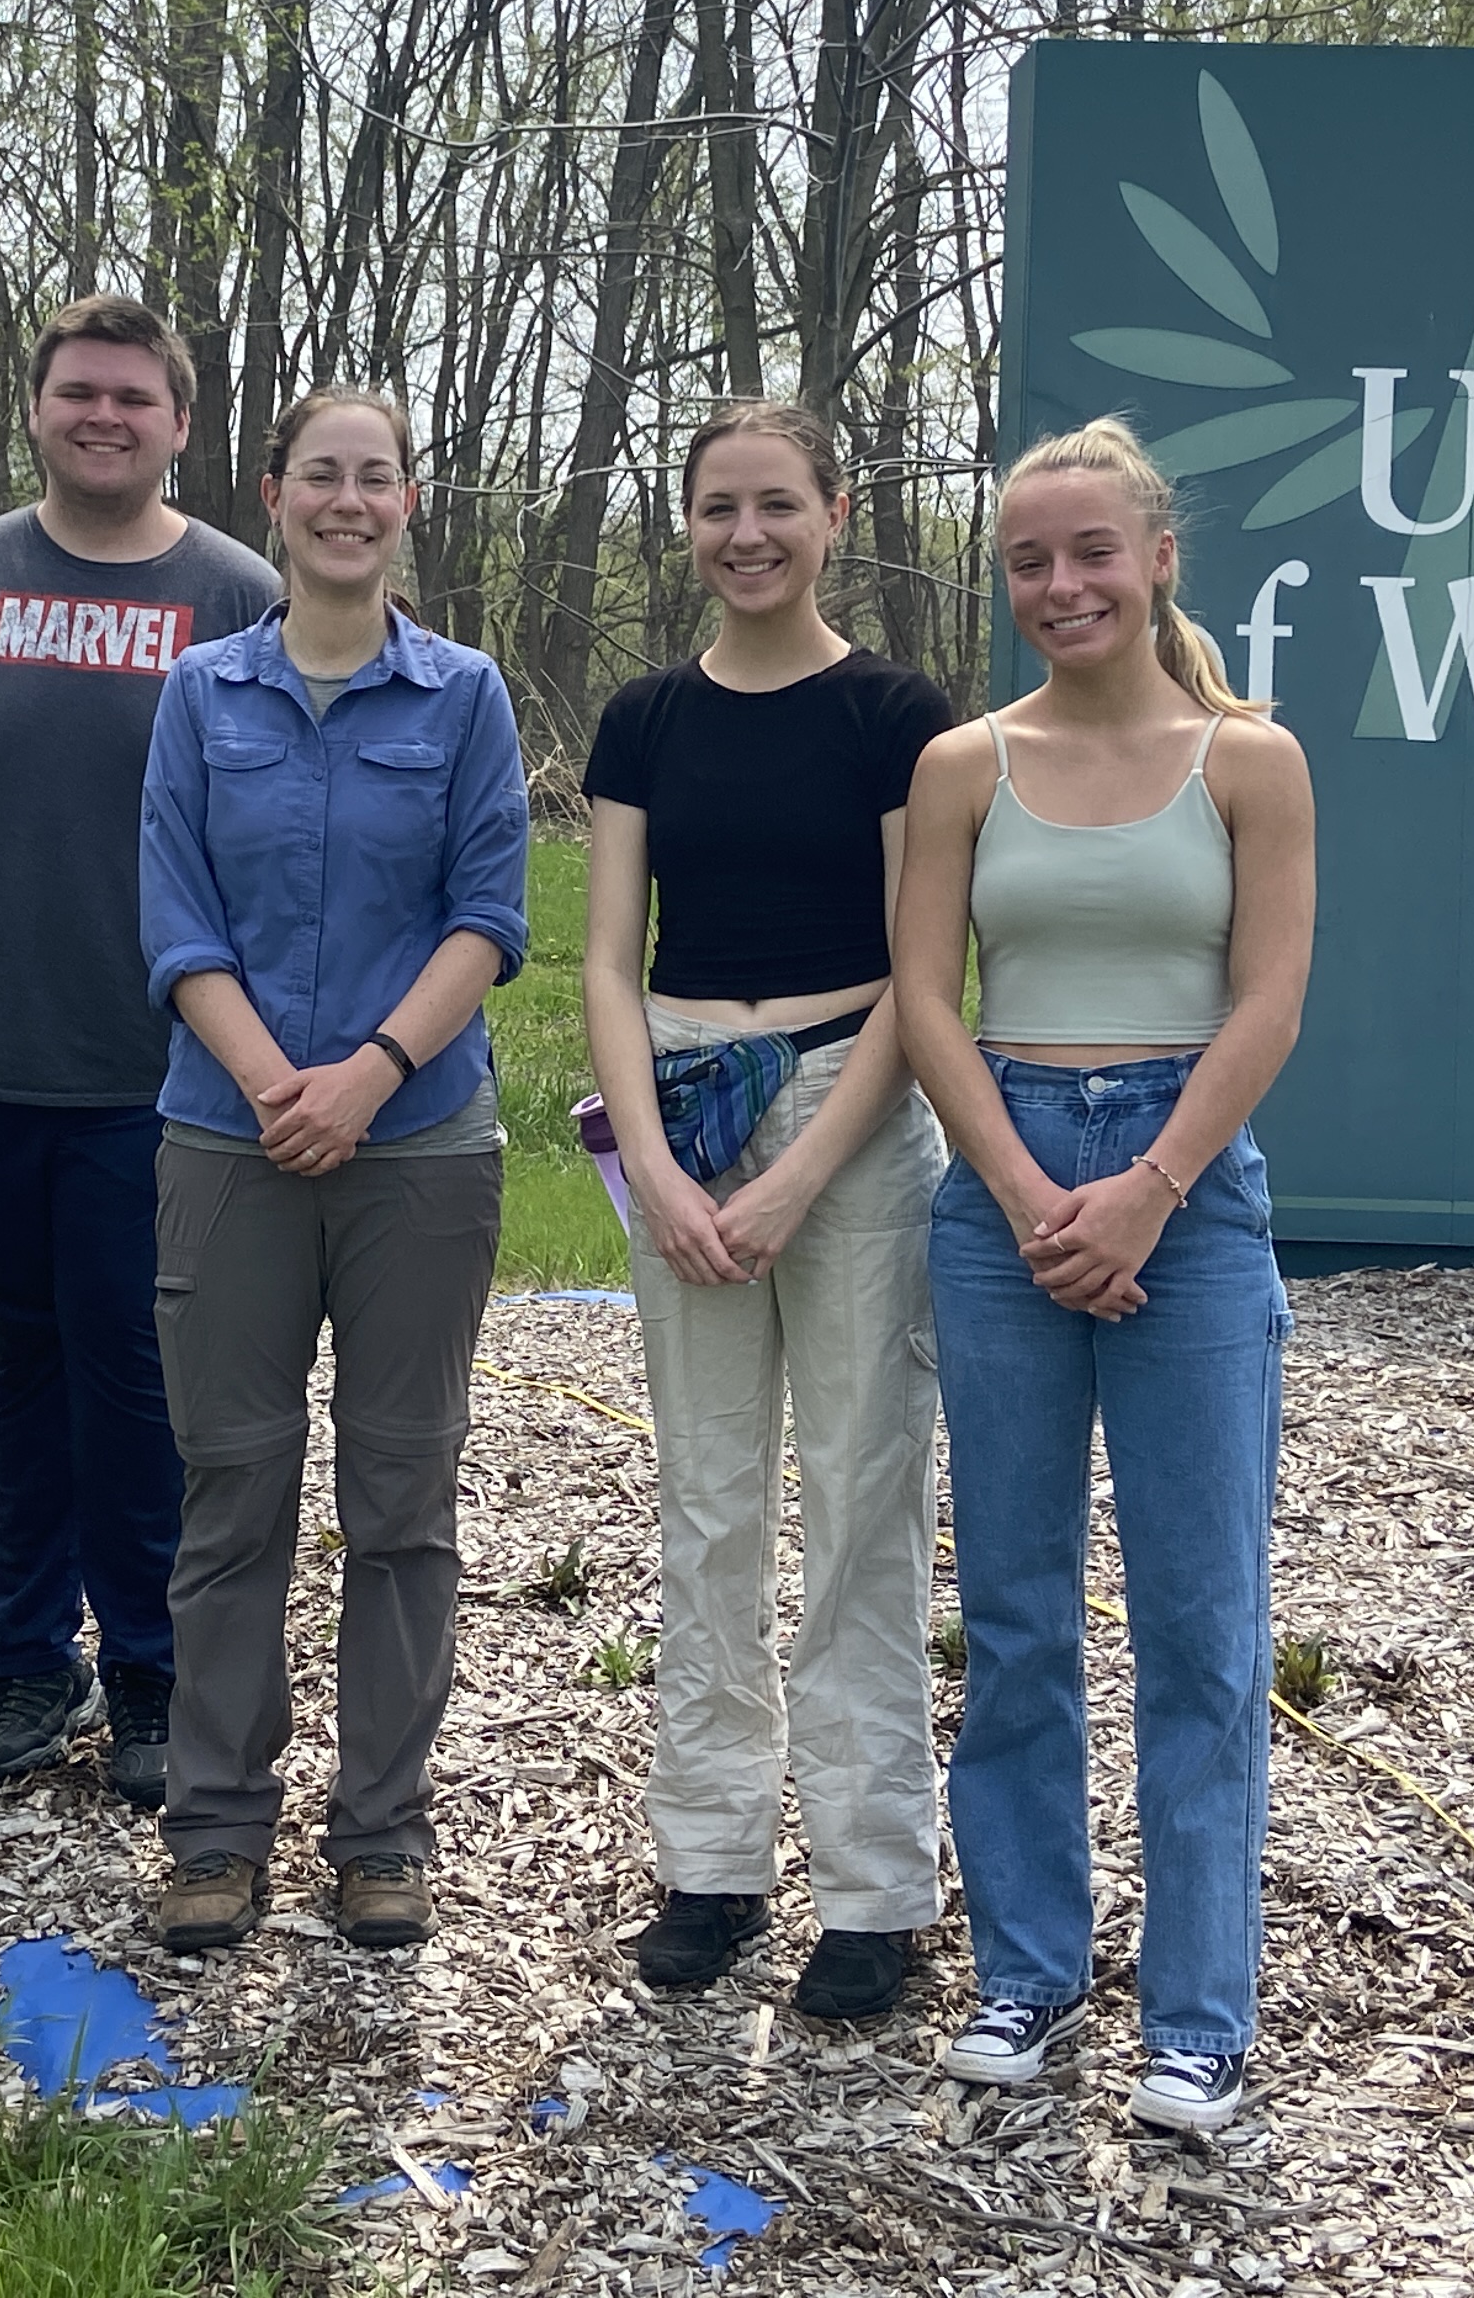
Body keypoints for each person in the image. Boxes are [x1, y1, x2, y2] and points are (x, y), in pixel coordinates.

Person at [891, 417, 1314, 2138]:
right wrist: (1022, 1188)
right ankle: (1030, 1968)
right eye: (1029, 561)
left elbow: (1268, 1002)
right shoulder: (960, 767)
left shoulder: (1249, 758)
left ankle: (1200, 2013)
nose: (1059, 585)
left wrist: (1142, 1191)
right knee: (1012, 1612)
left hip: (1185, 1196)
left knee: (1202, 1626)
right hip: (1001, 1187)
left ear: (1154, 563)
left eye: (1089, 553)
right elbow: (926, 999)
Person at [0, 298, 277, 1805]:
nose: (106, 416)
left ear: (179, 424)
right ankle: (27, 1664)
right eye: (79, 392)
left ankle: (153, 1667)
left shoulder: (241, 594)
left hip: (162, 1066)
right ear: (35, 409)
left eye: (134, 398)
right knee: (27, 1357)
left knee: (134, 1366)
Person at [134, 388, 529, 1954]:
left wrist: (365, 1079)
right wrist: (269, 1083)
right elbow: (176, 918)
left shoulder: (465, 698)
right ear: (272, 494)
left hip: (418, 1149)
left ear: (409, 502)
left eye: (375, 478)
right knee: (232, 1488)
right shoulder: (200, 693)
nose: (347, 502)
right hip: (225, 1139)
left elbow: (490, 914)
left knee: (402, 1495)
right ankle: (217, 1831)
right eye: (321, 476)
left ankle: (382, 1835)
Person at [580, 401, 958, 2023]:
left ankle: (874, 1885)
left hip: (851, 1114)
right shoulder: (644, 718)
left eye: (778, 506)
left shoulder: (895, 716)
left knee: (862, 1495)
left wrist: (805, 1168)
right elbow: (605, 954)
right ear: (685, 523)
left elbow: (923, 967)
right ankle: (714, 1864)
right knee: (711, 1500)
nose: (748, 536)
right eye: (719, 509)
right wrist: (660, 1168)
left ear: (834, 510)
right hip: (682, 1101)